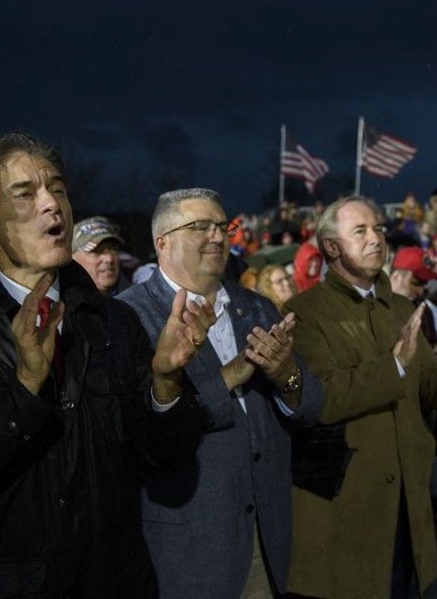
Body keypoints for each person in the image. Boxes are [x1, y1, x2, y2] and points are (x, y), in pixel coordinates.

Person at [0, 133, 209, 596]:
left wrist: (166, 383)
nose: (51, 204)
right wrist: (22, 390)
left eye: (57, 189)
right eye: (25, 194)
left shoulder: (115, 321)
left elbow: (167, 459)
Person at [283, 196, 437, 597]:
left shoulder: (401, 307)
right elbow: (321, 398)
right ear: (331, 247)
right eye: (360, 231)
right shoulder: (303, 313)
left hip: (409, 500)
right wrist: (394, 365)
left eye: (379, 228)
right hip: (348, 509)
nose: (376, 239)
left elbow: (428, 386)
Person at [118, 188, 323, 598]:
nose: (217, 236)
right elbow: (141, 434)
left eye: (221, 225)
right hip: (188, 550)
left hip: (264, 541)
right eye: (199, 227)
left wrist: (287, 376)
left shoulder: (258, 308)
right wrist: (229, 375)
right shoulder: (129, 316)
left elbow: (313, 407)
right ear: (162, 242)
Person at [71, 215, 125, 296]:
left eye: (113, 249)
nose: (109, 259)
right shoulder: (59, 303)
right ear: (73, 258)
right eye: (96, 251)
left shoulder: (137, 299)